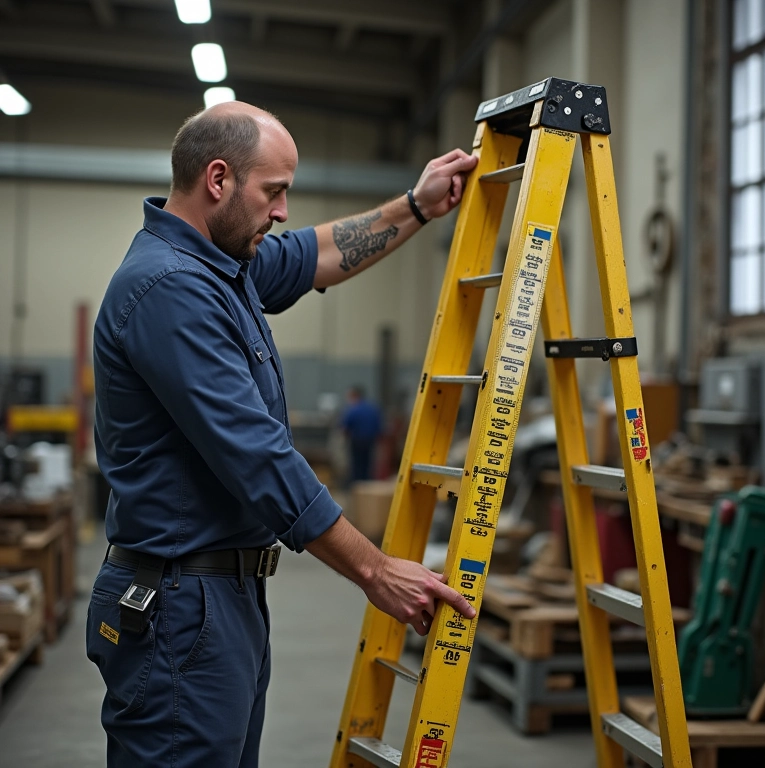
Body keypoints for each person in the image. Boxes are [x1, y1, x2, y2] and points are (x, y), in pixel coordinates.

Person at [86, 101, 478, 768]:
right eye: (274, 191)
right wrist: (374, 568)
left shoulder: (222, 266)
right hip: (182, 608)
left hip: (221, 599)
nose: (282, 212)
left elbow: (317, 252)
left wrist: (415, 205)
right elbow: (259, 458)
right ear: (218, 180)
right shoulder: (169, 288)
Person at [341, 385, 382, 483]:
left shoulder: (353, 410)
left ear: (354, 395)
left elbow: (345, 427)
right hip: (370, 441)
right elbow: (379, 427)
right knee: (367, 465)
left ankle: (357, 485)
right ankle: (367, 484)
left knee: (357, 465)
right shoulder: (372, 409)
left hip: (357, 441)